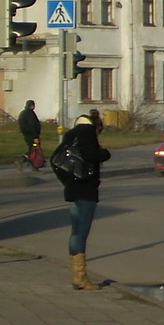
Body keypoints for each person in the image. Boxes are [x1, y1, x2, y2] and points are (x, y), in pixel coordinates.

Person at [56, 115, 111, 291]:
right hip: (86, 190)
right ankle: (80, 278)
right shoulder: (88, 134)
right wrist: (105, 153)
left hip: (72, 188)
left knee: (75, 232)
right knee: (81, 232)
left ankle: (77, 275)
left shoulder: (71, 134)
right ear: (95, 126)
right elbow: (91, 155)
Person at [17, 99, 42, 170]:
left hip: (27, 135)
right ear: (32, 106)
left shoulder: (23, 113)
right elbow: (32, 125)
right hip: (32, 136)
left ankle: (31, 164)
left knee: (32, 149)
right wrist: (35, 137)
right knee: (34, 149)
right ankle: (23, 160)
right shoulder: (30, 113)